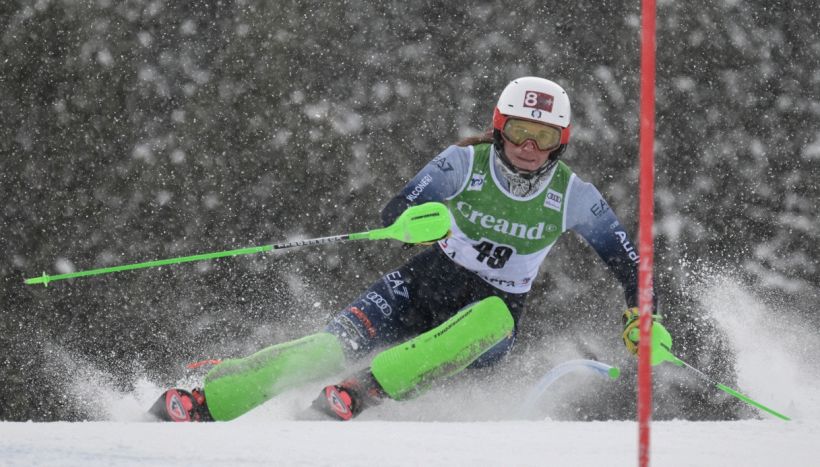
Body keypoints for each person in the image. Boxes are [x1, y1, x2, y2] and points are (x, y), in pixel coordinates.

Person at [149, 76, 660, 422]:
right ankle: (204, 400)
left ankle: (362, 390)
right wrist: (418, 223)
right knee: (326, 348)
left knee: (493, 318)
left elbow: (629, 265)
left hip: (489, 316)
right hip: (421, 284)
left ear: (561, 142)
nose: (529, 147)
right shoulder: (464, 163)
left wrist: (639, 317)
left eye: (543, 137)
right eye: (520, 131)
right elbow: (396, 211)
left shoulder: (575, 196)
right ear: (500, 127)